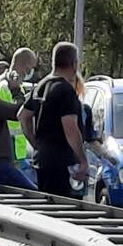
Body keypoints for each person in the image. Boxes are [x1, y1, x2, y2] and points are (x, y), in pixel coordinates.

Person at [18, 42, 89, 197]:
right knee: (66, 211)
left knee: (46, 207)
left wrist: (36, 143)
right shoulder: (65, 90)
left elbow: (22, 116)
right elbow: (70, 128)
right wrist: (82, 160)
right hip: (62, 163)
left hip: (42, 159)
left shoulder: (41, 85)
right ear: (74, 63)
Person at [0, 47, 38, 183]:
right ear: (25, 67)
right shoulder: (4, 86)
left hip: (17, 153)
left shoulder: (15, 85)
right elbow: (15, 112)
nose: (32, 71)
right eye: (31, 67)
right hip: (9, 150)